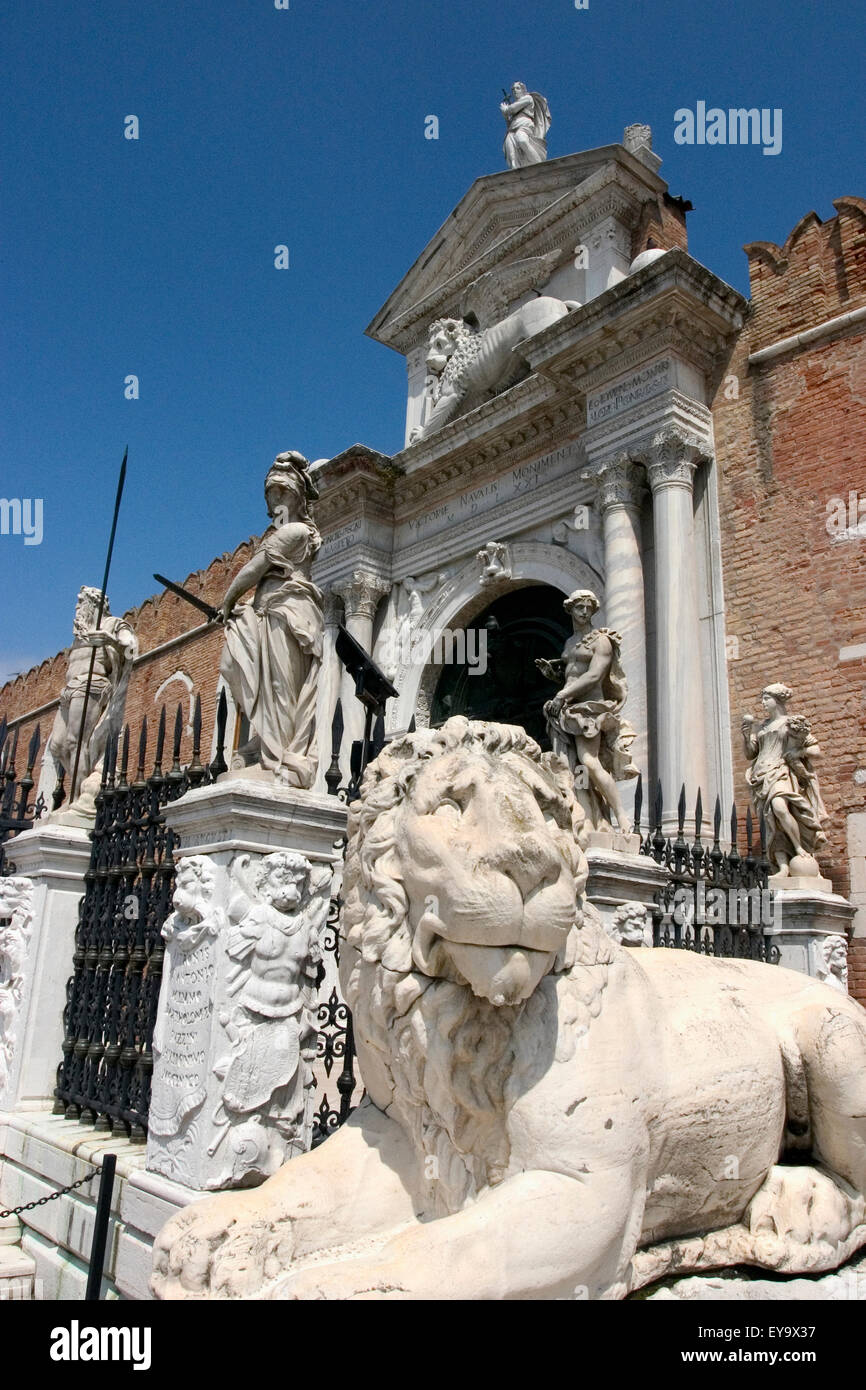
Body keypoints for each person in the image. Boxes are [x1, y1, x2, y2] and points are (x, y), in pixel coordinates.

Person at [217, 452, 323, 788]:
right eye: (270, 493)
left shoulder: (295, 531)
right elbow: (263, 578)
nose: (275, 500)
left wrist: (228, 599)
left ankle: (277, 757)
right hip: (267, 610)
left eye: (281, 492)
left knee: (281, 687)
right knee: (233, 665)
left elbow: (255, 568)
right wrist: (245, 607)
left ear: (296, 496)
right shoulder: (282, 532)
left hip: (288, 613)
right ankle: (265, 741)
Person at [536, 589, 637, 834]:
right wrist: (555, 676)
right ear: (570, 609)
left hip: (589, 709)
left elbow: (593, 676)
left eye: (588, 608)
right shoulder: (570, 643)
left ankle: (622, 817)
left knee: (589, 762)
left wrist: (562, 695)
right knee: (568, 766)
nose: (584, 612)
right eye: (580, 607)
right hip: (566, 710)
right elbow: (574, 674)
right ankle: (583, 816)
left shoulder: (601, 640)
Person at [742, 683, 828, 876]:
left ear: (778, 700)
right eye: (762, 698)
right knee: (771, 820)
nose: (763, 702)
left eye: (767, 698)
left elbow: (816, 751)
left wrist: (798, 752)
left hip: (781, 771)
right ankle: (783, 866)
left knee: (780, 807)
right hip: (760, 775)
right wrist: (747, 736)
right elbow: (750, 754)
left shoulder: (792, 724)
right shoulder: (762, 727)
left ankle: (799, 848)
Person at [501, 82, 551, 168]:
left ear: (523, 90)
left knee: (521, 140)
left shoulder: (528, 98)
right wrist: (506, 117)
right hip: (512, 129)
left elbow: (512, 109)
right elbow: (509, 123)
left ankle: (538, 164)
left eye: (517, 88)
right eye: (513, 89)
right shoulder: (517, 106)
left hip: (524, 127)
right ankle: (516, 171)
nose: (514, 91)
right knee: (512, 153)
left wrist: (506, 110)